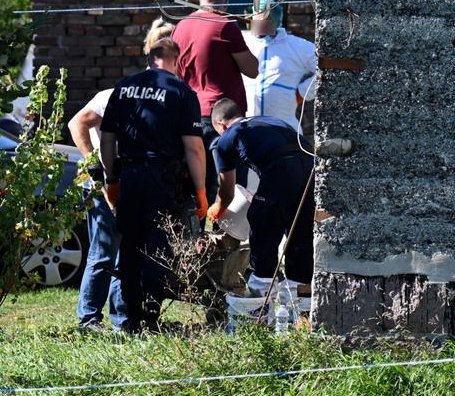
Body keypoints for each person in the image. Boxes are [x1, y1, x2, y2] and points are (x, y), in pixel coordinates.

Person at [67, 20, 174, 330]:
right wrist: (93, 163)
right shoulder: (113, 95)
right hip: (105, 184)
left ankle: (122, 317)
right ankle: (88, 317)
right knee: (103, 251)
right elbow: (77, 124)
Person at [98, 37, 208, 333]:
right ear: (178, 60)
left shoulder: (123, 88)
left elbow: (107, 139)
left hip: (130, 177)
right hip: (162, 179)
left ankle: (128, 319)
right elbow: (194, 149)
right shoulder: (181, 91)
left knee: (131, 247)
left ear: (149, 57)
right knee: (159, 249)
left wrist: (111, 179)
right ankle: (149, 317)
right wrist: (201, 193)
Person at [206, 98, 314, 296]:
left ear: (220, 124)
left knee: (261, 219)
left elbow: (227, 190)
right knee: (299, 231)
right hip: (311, 165)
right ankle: (300, 294)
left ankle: (261, 289)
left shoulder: (227, 137)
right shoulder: (267, 121)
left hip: (280, 166)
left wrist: (218, 208)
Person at [170, 0, 258, 199]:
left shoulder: (181, 27)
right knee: (232, 185)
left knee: (198, 183)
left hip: (189, 114)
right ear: (226, 3)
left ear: (201, 0)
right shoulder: (225, 25)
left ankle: (198, 232)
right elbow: (252, 70)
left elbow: (175, 72)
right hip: (222, 117)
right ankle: (226, 232)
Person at [241, 0, 318, 135]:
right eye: (257, 20)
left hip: (284, 126)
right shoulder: (242, 42)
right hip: (247, 126)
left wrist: (302, 93)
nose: (260, 26)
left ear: (276, 21)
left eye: (266, 22)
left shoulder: (296, 46)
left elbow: (325, 67)